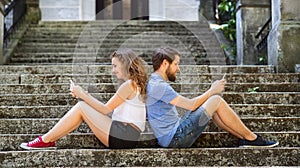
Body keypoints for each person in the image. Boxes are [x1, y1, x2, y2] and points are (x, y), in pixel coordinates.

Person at [146, 47, 279, 148]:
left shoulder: (155, 82)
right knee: (215, 100)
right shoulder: (159, 86)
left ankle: (244, 138)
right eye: (175, 64)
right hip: (174, 138)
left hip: (172, 134)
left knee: (213, 105)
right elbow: (191, 105)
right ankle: (253, 138)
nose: (178, 69)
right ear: (165, 64)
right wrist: (212, 90)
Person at [20, 48, 148, 149]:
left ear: (125, 64)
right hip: (126, 135)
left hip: (123, 135)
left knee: (81, 107)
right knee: (82, 108)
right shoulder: (133, 83)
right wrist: (83, 95)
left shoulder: (129, 85)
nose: (113, 70)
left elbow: (105, 109)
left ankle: (45, 140)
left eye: (115, 66)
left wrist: (83, 95)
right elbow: (108, 111)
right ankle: (48, 140)